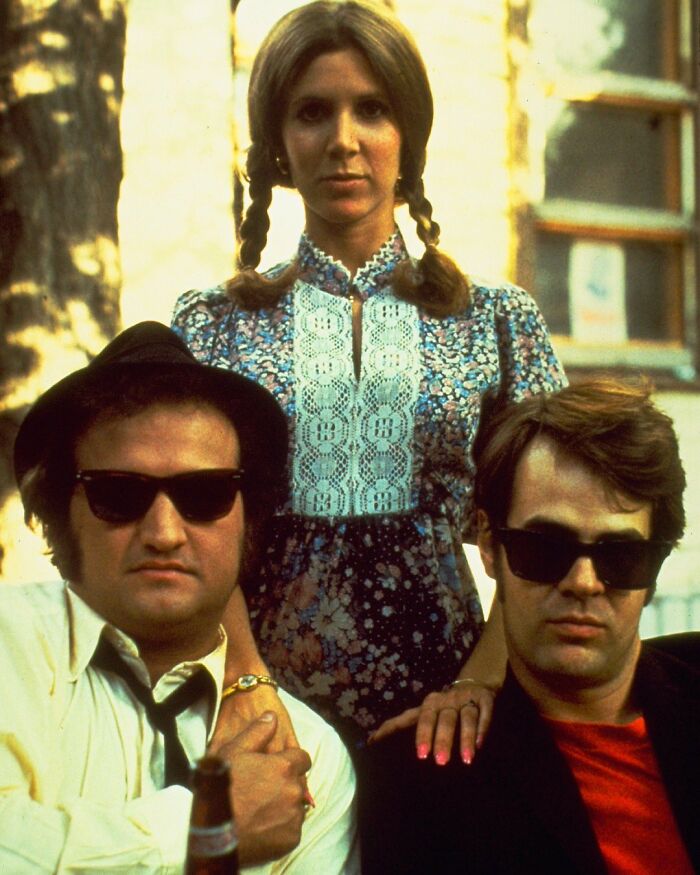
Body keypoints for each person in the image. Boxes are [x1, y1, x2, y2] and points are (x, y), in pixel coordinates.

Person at [172, 0, 566, 756]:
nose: (344, 142)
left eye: (372, 110)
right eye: (313, 111)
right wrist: (246, 683)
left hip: (453, 719)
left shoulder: (495, 322)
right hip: (257, 714)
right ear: (279, 142)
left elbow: (553, 527)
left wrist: (480, 682)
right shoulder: (213, 327)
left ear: (406, 135)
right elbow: (189, 528)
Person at [4, 322, 358, 873]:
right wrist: (207, 829)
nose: (164, 532)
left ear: (250, 517)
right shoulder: (9, 649)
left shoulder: (307, 756)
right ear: (59, 514)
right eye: (119, 494)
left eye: (204, 494)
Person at [358, 379, 700, 874]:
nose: (583, 582)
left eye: (620, 556)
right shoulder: (418, 780)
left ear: (656, 565)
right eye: (545, 548)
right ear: (491, 547)